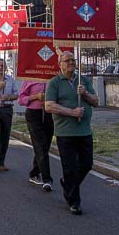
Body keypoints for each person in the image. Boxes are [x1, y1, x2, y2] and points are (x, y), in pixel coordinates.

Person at [45, 52, 98, 215]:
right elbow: (49, 106)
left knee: (87, 163)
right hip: (65, 132)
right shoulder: (54, 83)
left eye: (72, 60)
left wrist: (85, 94)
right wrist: (71, 112)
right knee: (70, 167)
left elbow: (96, 101)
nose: (71, 63)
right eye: (67, 61)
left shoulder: (83, 80)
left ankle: (68, 184)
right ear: (60, 64)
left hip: (84, 131)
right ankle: (74, 201)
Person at [19, 79, 54, 191]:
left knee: (46, 145)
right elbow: (21, 100)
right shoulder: (29, 79)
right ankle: (47, 179)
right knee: (40, 144)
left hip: (48, 113)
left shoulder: (52, 79)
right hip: (33, 114)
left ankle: (35, 172)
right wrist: (36, 97)